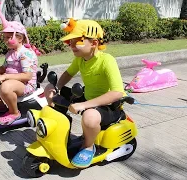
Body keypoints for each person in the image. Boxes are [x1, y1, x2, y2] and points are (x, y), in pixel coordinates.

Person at [44, 18, 126, 168]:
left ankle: (89, 146)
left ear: (94, 43)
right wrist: (55, 87)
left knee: (89, 116)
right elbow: (68, 74)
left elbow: (117, 92)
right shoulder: (80, 59)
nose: (72, 46)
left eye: (77, 42)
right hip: (88, 99)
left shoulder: (107, 60)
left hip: (109, 106)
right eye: (70, 42)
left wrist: (84, 105)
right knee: (51, 89)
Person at [0, 3, 40, 125]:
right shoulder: (10, 53)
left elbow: (27, 76)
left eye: (9, 37)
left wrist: (4, 77)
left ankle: (14, 112)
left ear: (20, 38)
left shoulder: (25, 53)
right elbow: (3, 68)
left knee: (6, 87)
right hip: (13, 81)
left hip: (25, 85)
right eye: (4, 37)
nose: (5, 40)